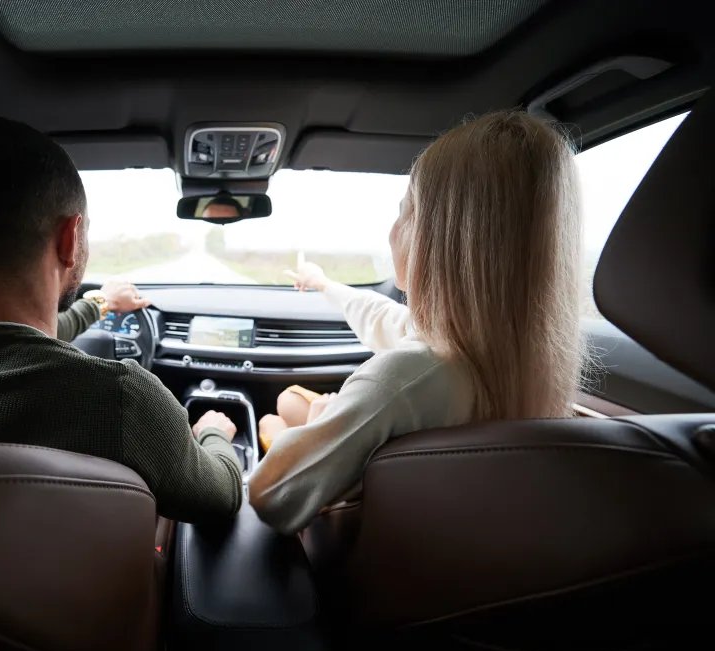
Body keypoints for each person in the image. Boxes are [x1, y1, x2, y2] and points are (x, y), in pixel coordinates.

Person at [249, 111, 585, 534]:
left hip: (346, 556)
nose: (393, 231)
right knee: (289, 404)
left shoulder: (403, 380)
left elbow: (268, 493)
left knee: (271, 421)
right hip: (444, 549)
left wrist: (322, 414)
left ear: (448, 238)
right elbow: (383, 317)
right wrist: (324, 284)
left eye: (407, 212)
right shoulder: (518, 361)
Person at [0, 116, 243, 523]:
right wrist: (214, 435)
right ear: (70, 238)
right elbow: (222, 496)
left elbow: (13, 337)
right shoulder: (120, 400)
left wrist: (100, 303)